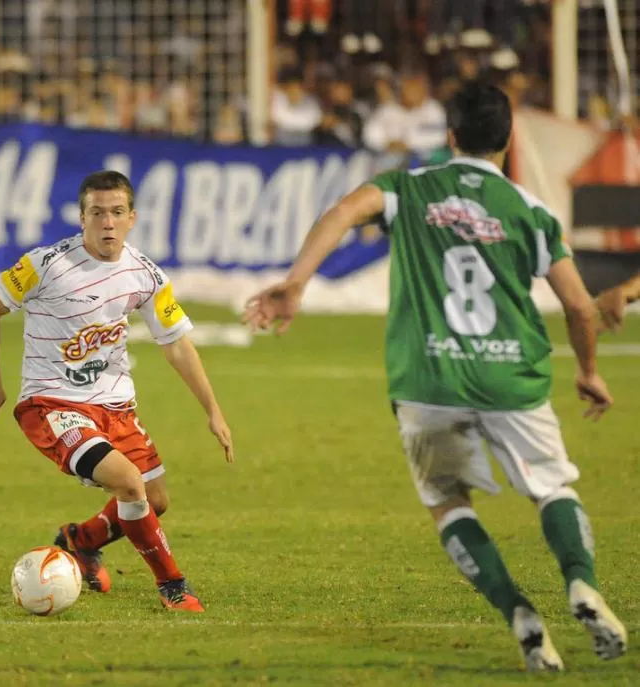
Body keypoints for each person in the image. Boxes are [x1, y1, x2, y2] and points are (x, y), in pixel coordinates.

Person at [243, 84, 627, 670]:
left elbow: (343, 211)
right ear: (509, 140)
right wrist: (590, 371)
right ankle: (580, 582)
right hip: (511, 378)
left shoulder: (408, 186)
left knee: (448, 500)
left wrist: (296, 283)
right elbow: (578, 307)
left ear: (450, 136)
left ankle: (517, 611)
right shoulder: (530, 209)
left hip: (427, 379)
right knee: (552, 485)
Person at [0, 171, 234, 612]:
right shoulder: (45, 264)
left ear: (131, 218)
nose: (107, 223)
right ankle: (173, 585)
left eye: (116, 213)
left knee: (155, 500)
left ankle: (81, 539)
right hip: (52, 403)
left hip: (115, 406)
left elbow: (176, 344)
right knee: (131, 486)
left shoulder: (145, 274)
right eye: (97, 213)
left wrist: (213, 409)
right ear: (82, 218)